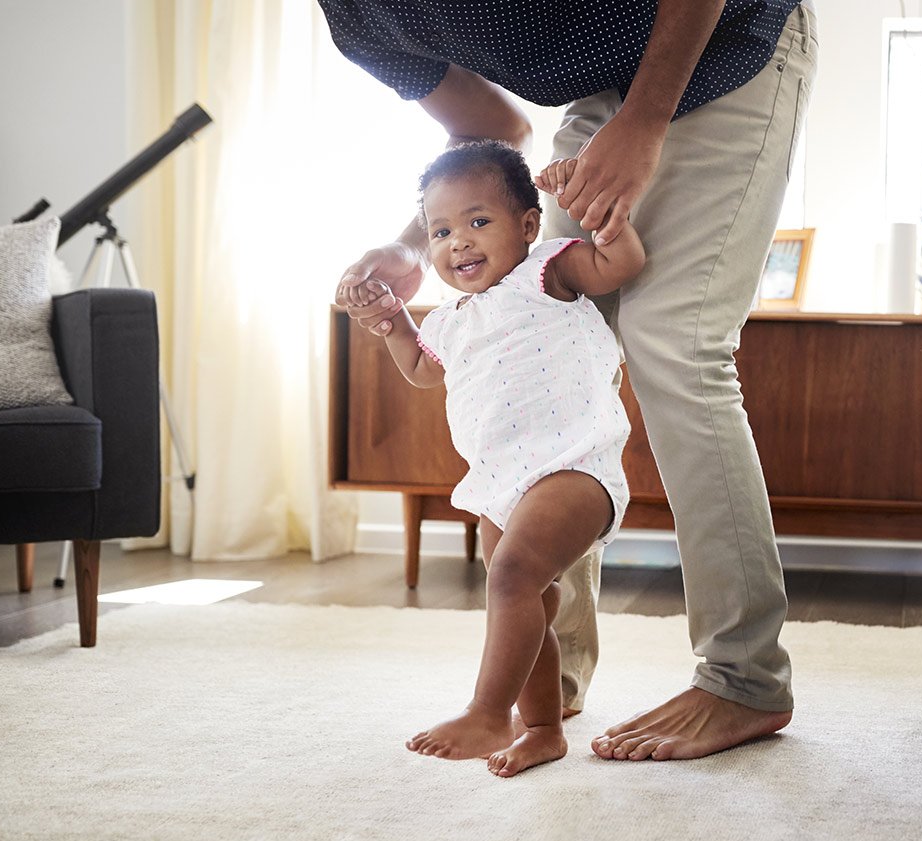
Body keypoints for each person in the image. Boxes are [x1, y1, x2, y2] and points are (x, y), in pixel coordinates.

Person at [322, 0, 817, 761]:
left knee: (671, 345)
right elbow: (489, 143)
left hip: (728, 45)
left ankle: (743, 677)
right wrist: (409, 250)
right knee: (545, 319)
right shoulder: (361, 17)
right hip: (602, 93)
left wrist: (647, 122)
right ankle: (547, 688)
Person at [342, 141, 645, 776]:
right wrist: (395, 321)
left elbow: (621, 263)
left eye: (479, 222)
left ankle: (487, 710)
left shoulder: (548, 272)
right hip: (499, 484)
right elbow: (425, 372)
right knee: (525, 595)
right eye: (442, 231)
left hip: (574, 467)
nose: (459, 243)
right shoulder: (451, 319)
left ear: (528, 226)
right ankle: (540, 729)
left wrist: (595, 214)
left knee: (512, 578)